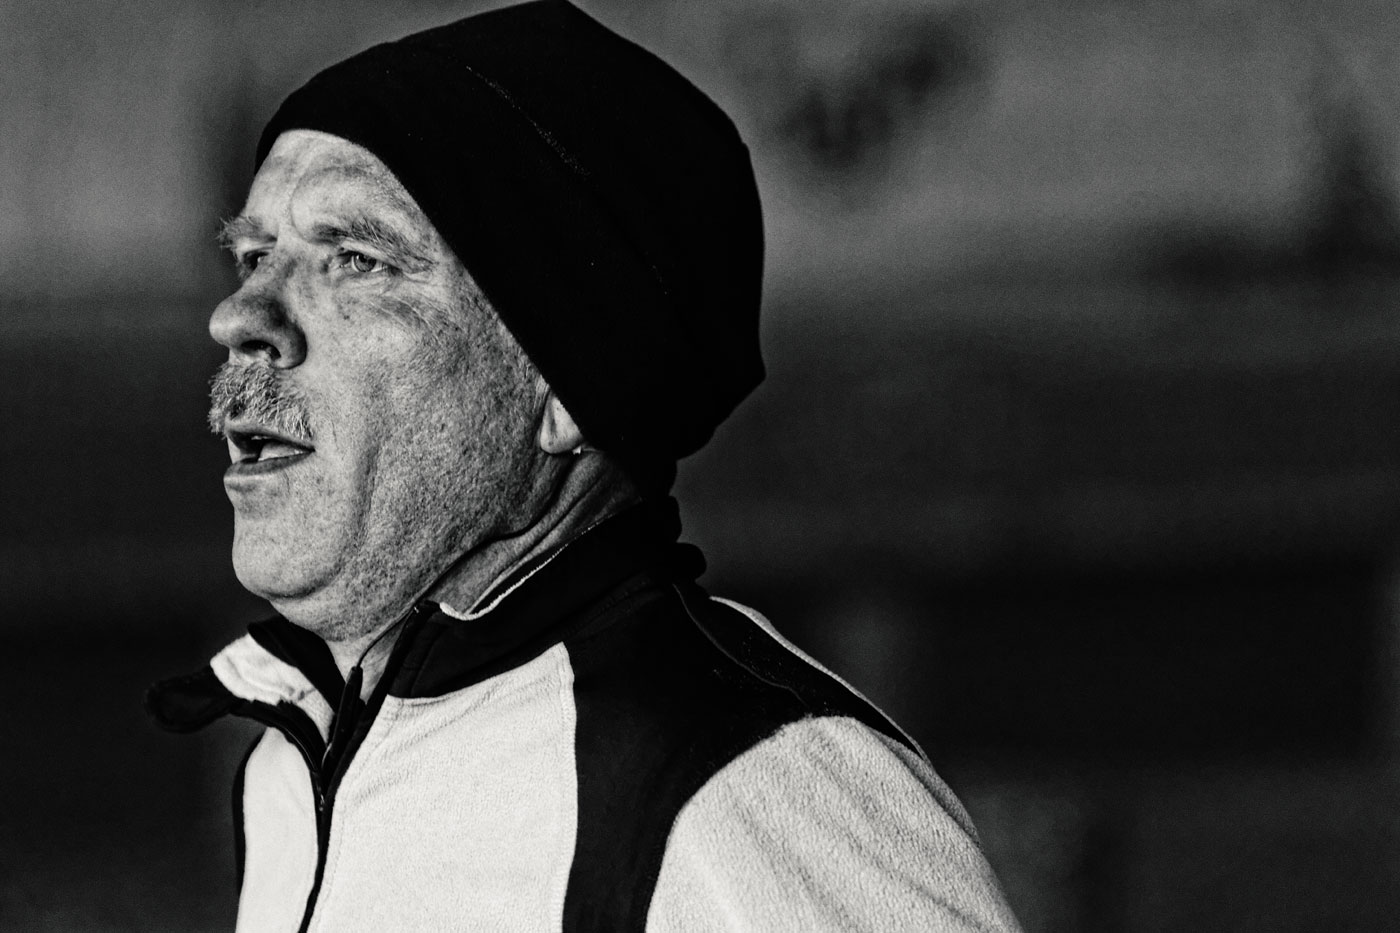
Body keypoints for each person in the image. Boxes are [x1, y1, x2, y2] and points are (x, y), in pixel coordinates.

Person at [148, 2, 1023, 930]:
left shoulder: (742, 786)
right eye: (254, 255)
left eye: (357, 260)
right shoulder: (293, 766)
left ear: (567, 386)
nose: (238, 316)